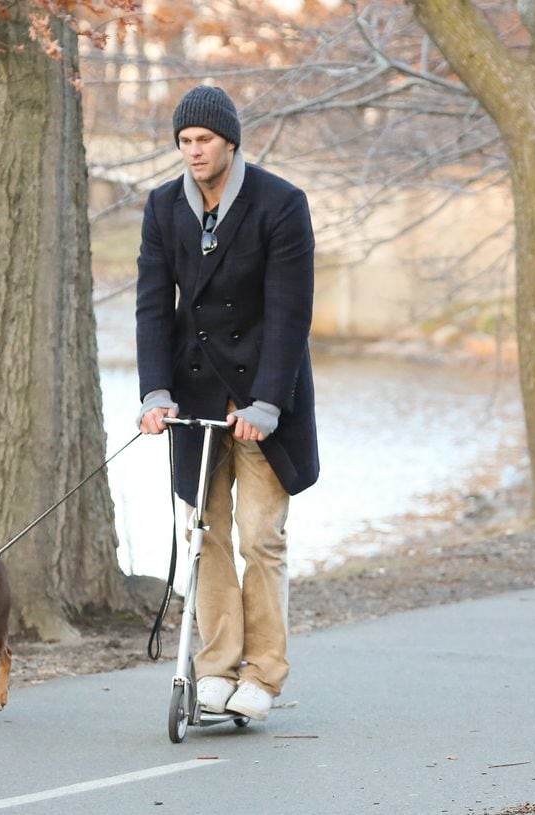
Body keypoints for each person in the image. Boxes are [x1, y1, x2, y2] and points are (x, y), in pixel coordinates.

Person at [135, 84, 319, 722]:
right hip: (194, 394)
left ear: (230, 142)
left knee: (260, 539)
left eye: (205, 140)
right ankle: (215, 668)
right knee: (203, 536)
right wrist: (155, 392)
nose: (194, 151)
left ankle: (263, 675)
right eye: (184, 141)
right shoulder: (163, 207)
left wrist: (266, 402)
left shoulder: (281, 203)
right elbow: (154, 305)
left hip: (265, 396)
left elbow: (290, 314)